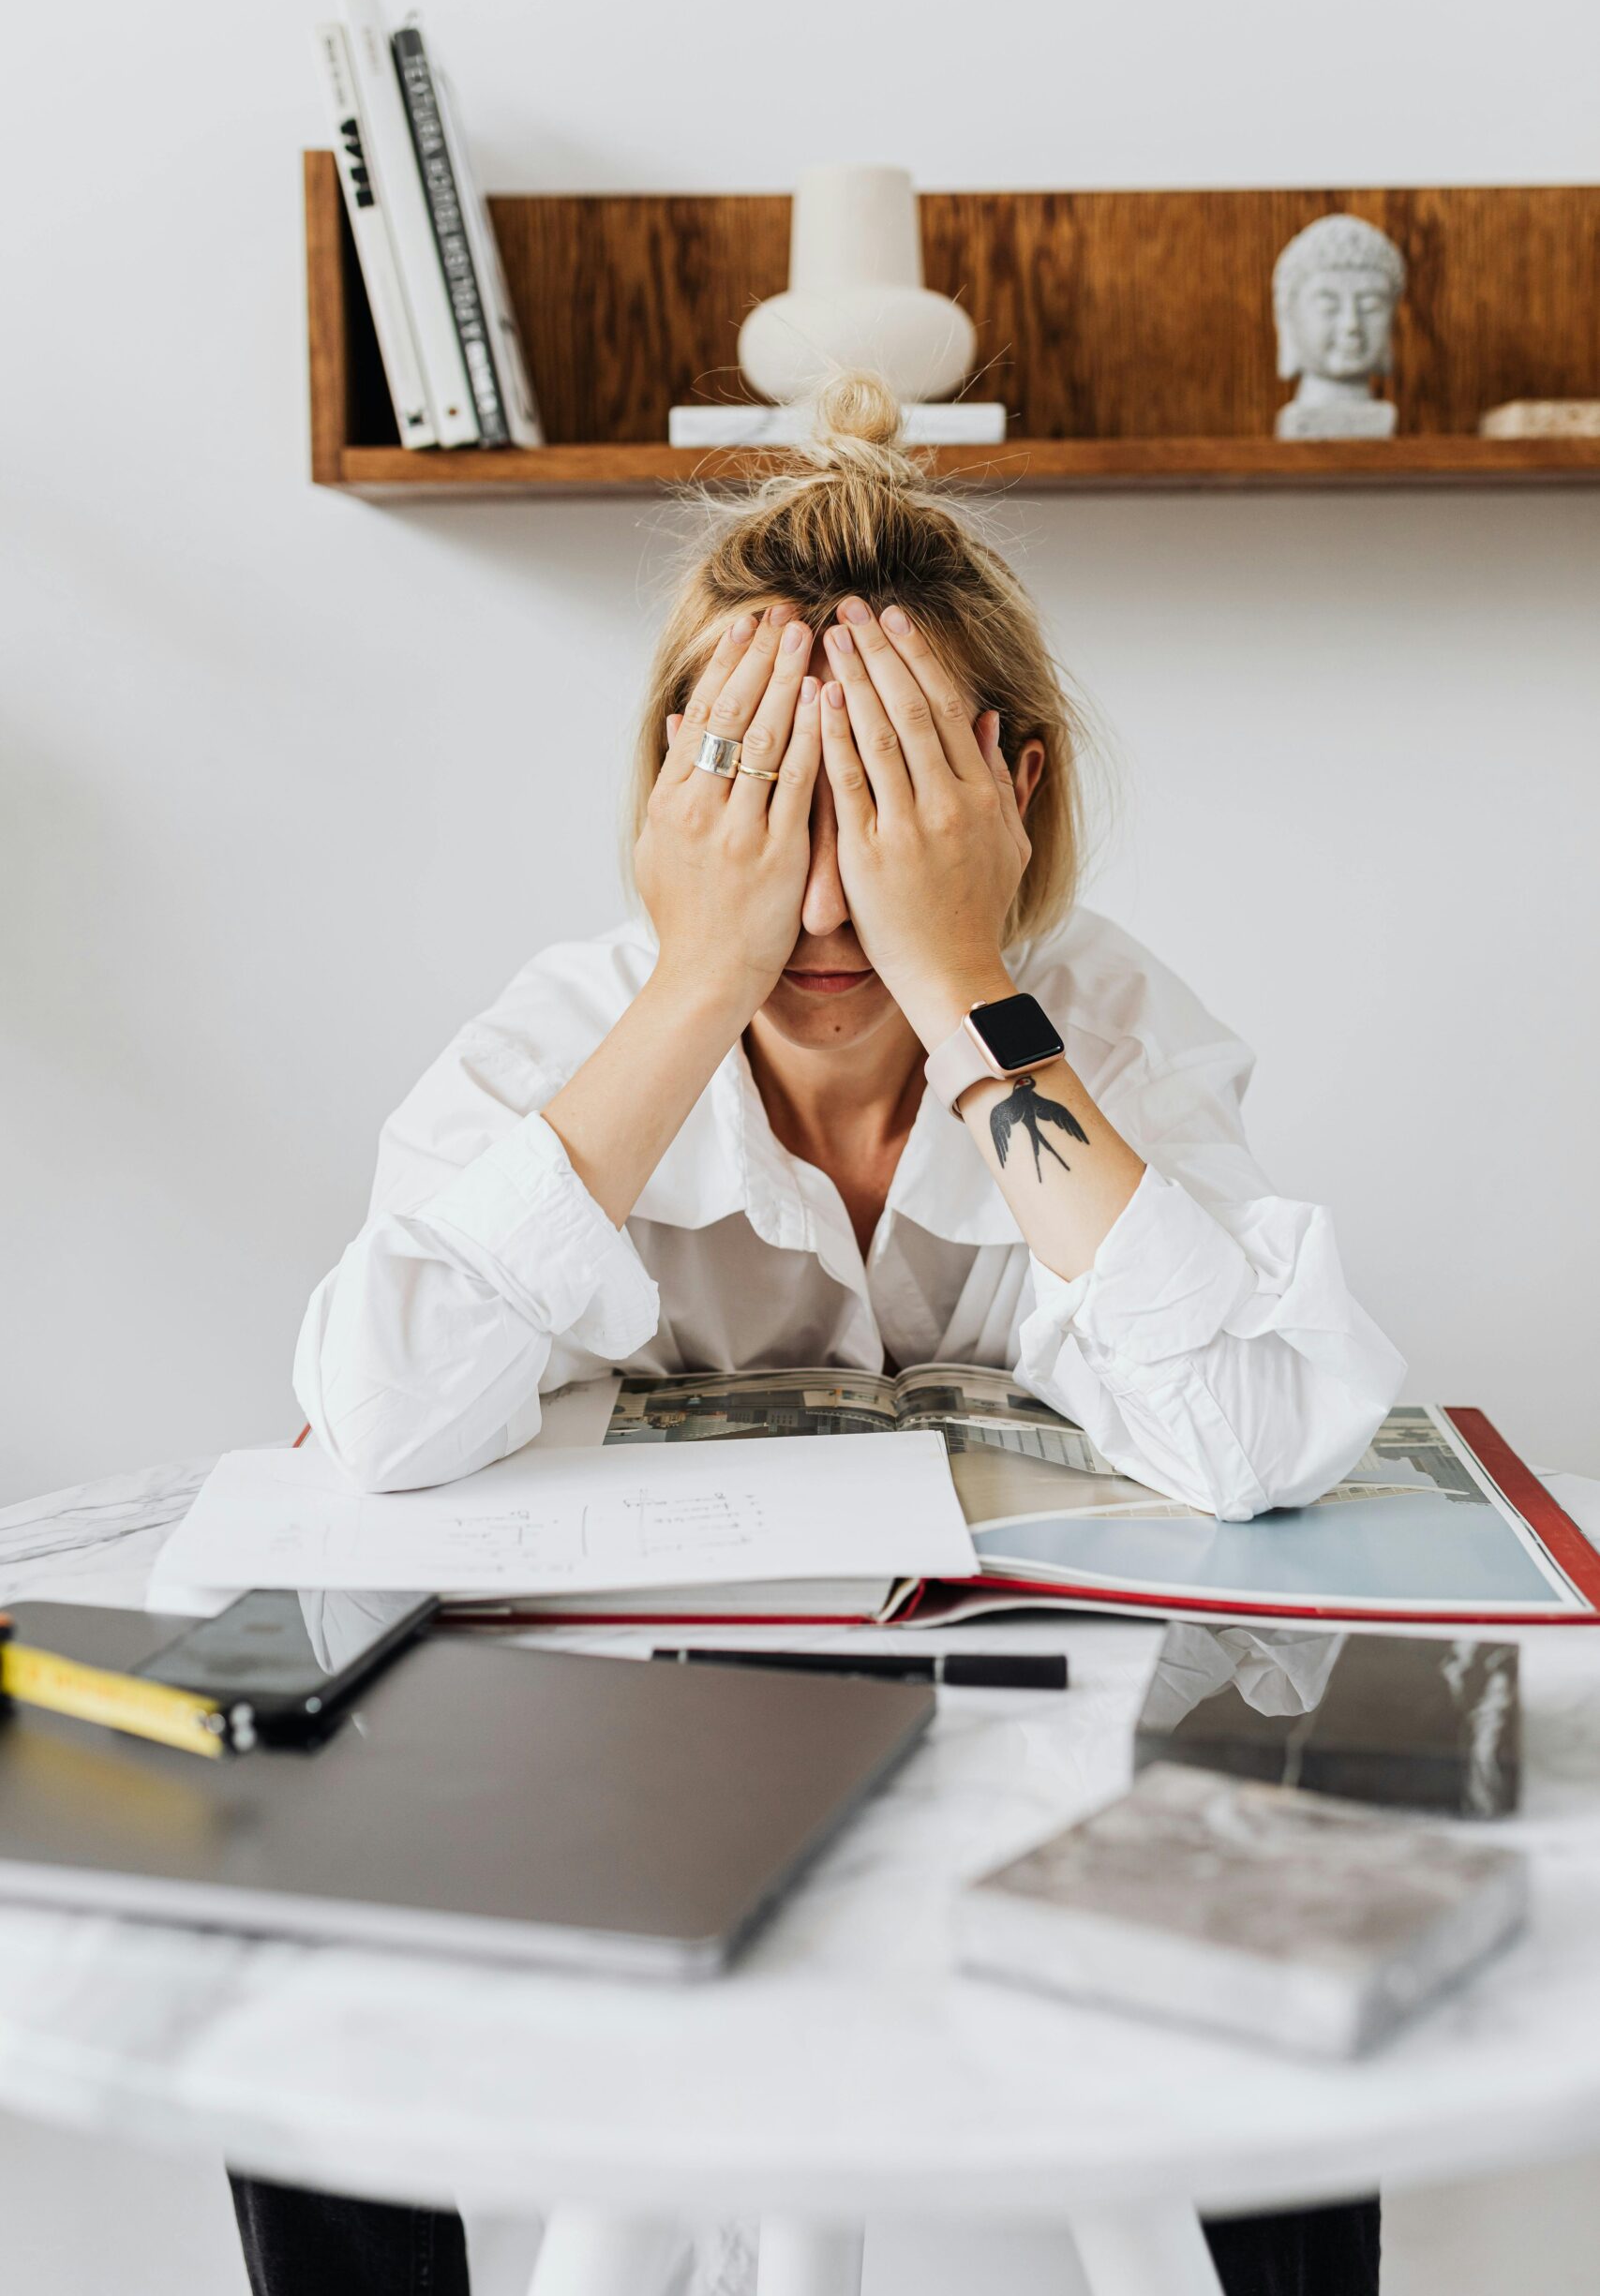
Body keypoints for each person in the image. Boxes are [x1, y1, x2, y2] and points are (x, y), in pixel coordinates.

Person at [232, 369, 1401, 2296]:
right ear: (669, 800)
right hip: (624, 1755)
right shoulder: (571, 1033)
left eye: (881, 798)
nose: (820, 887)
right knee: (277, 1898)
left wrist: (963, 983)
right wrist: (699, 977)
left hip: (1038, 1751)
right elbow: (365, 1410)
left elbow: (1253, 1433)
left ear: (999, 792)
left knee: (1307, 1837)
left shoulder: (1096, 1029)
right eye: (763, 793)